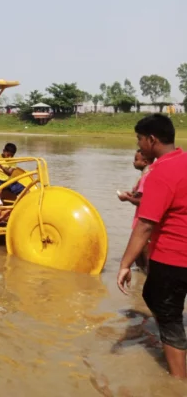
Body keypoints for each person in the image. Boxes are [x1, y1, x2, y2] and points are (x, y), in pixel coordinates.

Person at [117, 114, 187, 379]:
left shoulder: (160, 172)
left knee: (169, 316)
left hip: (173, 257)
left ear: (152, 139)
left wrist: (124, 264)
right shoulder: (184, 160)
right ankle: (171, 347)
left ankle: (178, 382)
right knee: (153, 297)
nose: (139, 144)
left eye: (139, 139)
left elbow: (145, 224)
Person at [117, 149, 155, 274]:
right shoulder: (148, 173)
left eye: (136, 160)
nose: (133, 162)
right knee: (140, 247)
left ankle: (148, 273)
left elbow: (143, 201)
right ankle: (141, 275)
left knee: (142, 246)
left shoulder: (146, 176)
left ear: (144, 162)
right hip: (142, 217)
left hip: (142, 218)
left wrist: (127, 198)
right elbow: (140, 195)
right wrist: (132, 194)